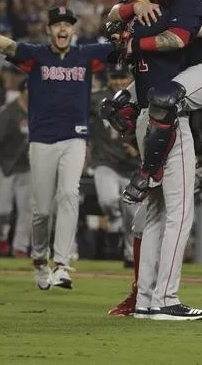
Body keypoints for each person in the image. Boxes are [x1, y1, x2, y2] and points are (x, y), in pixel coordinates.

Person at [0, 1, 113, 290]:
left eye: (68, 24)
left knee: (70, 195)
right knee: (42, 210)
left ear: (73, 29)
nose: (63, 28)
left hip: (75, 136)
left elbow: (129, 47)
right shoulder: (35, 56)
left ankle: (62, 264)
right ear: (49, 30)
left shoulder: (87, 56)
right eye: (57, 24)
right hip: (42, 139)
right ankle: (39, 258)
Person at [105, 39, 202, 317]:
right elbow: (126, 104)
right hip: (184, 157)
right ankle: (140, 292)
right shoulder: (162, 73)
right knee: (142, 222)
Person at [106, 0, 202, 202]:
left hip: (199, 66)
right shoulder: (142, 3)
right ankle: (142, 150)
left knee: (163, 101)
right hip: (167, 71)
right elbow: (112, 15)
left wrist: (159, 29)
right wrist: (133, 10)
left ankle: (156, 167)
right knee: (114, 108)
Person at [89, 66, 140, 267]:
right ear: (109, 78)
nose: (119, 81)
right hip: (105, 162)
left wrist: (137, 150)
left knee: (132, 213)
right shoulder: (97, 98)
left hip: (131, 165)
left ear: (130, 77)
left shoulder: (140, 98)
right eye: (115, 77)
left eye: (123, 77)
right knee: (109, 200)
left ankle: (130, 255)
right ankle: (114, 226)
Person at [0, 79, 31, 257]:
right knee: (2, 210)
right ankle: (1, 237)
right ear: (22, 91)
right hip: (5, 165)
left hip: (28, 167)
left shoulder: (41, 111)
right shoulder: (9, 111)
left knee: (27, 210)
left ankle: (20, 247)